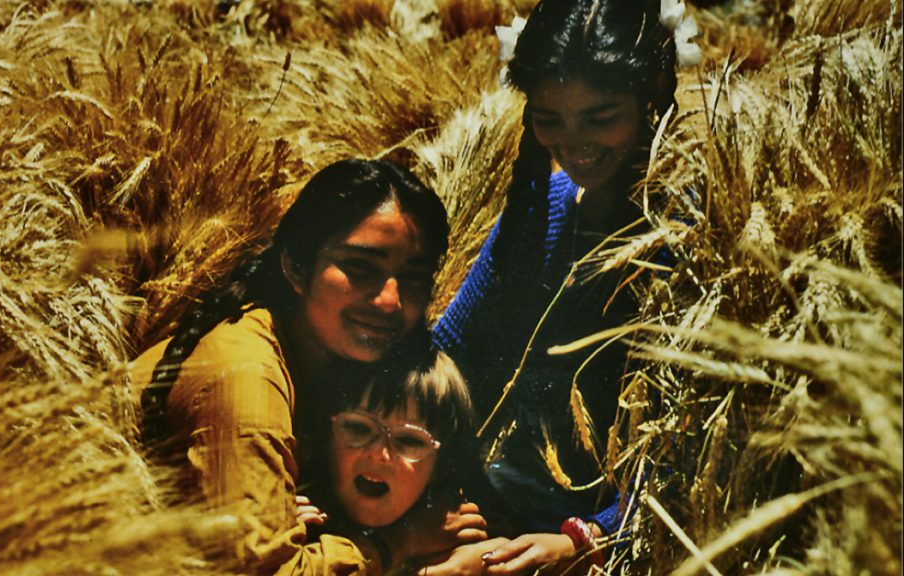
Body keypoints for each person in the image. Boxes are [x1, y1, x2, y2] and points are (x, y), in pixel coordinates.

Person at [424, 0, 697, 573]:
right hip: (486, 518)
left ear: (651, 96)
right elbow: (447, 353)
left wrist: (584, 538)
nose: (575, 144)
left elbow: (692, 446)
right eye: (550, 118)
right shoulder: (538, 210)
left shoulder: (687, 240)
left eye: (600, 117)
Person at [130, 158, 486, 575]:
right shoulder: (247, 376)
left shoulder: (321, 354)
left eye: (412, 278)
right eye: (360, 268)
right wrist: (399, 541)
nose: (390, 301)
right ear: (296, 267)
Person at [293, 346, 491, 573]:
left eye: (409, 441)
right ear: (326, 437)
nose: (379, 454)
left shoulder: (455, 543)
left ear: (441, 464)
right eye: (358, 428)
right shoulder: (293, 523)